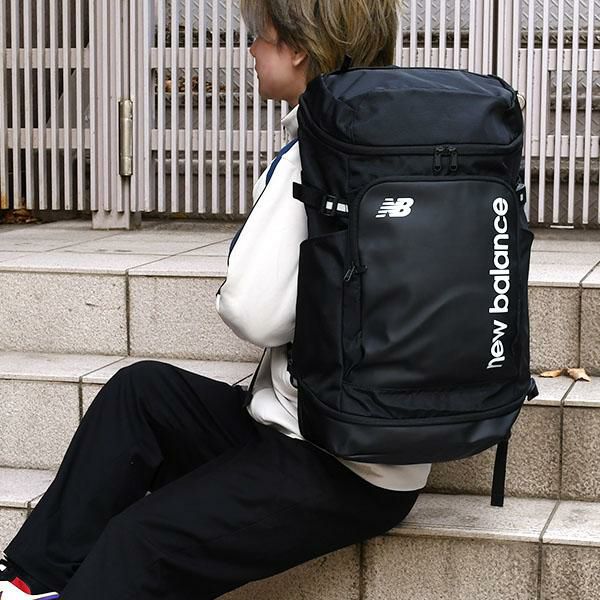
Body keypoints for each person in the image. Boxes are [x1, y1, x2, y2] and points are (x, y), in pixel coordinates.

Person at [0, 1, 430, 598]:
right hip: (340, 437)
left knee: (139, 541)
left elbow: (254, 312)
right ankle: (26, 582)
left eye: (258, 35)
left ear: (298, 49)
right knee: (141, 391)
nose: (249, 49)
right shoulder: (394, 142)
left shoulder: (319, 154)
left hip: (341, 465)